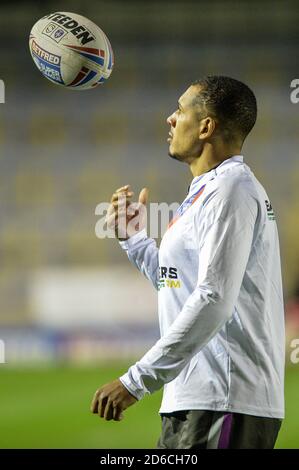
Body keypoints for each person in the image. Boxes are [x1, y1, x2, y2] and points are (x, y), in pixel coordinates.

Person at [91, 76, 285, 449]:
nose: (170, 119)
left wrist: (136, 381)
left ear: (206, 127)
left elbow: (213, 297)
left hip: (225, 399)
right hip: (200, 399)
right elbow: (179, 284)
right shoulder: (208, 191)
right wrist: (133, 239)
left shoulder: (232, 189)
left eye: (180, 110)